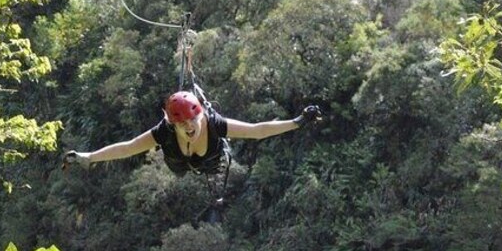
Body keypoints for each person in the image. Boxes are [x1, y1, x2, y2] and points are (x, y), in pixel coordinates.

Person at [63, 91, 321, 175]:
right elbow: (129, 147)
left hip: (210, 162)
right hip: (178, 163)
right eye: (182, 123)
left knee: (210, 162)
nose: (190, 126)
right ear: (172, 123)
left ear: (201, 115)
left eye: (193, 119)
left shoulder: (214, 123)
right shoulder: (164, 131)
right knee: (178, 165)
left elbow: (257, 131)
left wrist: (297, 121)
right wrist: (88, 157)